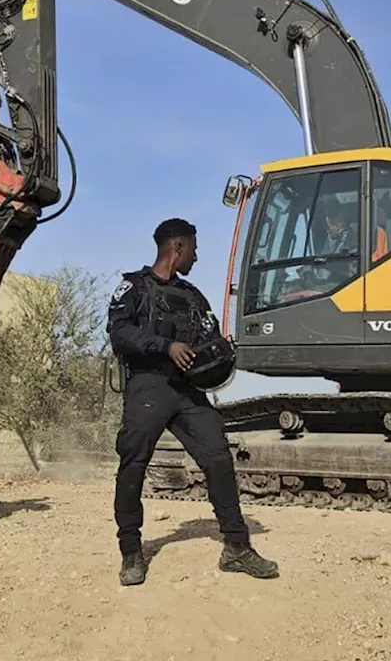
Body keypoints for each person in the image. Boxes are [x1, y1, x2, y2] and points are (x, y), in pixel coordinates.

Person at [106, 217, 279, 586]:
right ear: (178, 247)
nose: (197, 257)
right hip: (148, 386)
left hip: (186, 390)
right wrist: (165, 346)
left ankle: (236, 546)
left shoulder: (193, 296)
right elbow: (119, 332)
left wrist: (219, 353)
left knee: (217, 455)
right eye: (194, 250)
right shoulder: (132, 288)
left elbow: (208, 338)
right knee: (133, 463)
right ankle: (131, 552)